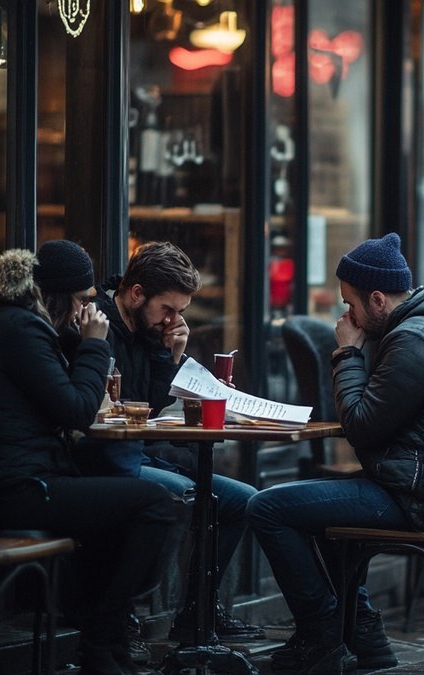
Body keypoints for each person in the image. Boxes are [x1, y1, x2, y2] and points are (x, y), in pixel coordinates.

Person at [247, 232, 424, 673]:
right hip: (415, 488)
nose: (347, 314)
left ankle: (320, 639)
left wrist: (346, 353)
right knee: (313, 511)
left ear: (377, 300)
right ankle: (366, 639)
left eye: (351, 304)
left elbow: (358, 424)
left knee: (267, 506)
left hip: (407, 497)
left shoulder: (413, 341)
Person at [0, 244, 176, 675]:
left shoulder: (21, 326)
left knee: (124, 514)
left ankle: (108, 645)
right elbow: (79, 411)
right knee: (156, 505)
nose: (88, 310)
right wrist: (95, 344)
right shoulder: (19, 331)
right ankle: (100, 635)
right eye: (83, 300)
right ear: (57, 296)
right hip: (15, 489)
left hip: (25, 480)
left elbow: (68, 404)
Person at [83, 240, 263, 642]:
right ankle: (123, 611)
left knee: (243, 499)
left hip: (148, 451)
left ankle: (199, 611)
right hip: (108, 457)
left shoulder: (152, 330)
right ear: (136, 293)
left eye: (180, 312)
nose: (174, 320)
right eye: (169, 309)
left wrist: (172, 355)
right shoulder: (99, 326)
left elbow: (160, 406)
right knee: (180, 494)